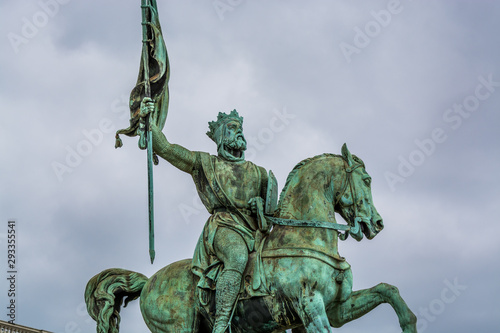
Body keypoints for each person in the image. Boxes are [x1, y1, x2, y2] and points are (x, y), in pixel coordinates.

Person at [140, 97, 270, 333]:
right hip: (225, 227)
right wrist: (150, 124)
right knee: (238, 258)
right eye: (231, 128)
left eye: (239, 128)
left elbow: (272, 215)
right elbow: (168, 149)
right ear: (220, 136)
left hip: (256, 232)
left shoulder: (259, 174)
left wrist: (261, 207)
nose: (238, 132)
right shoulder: (205, 163)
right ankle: (221, 322)